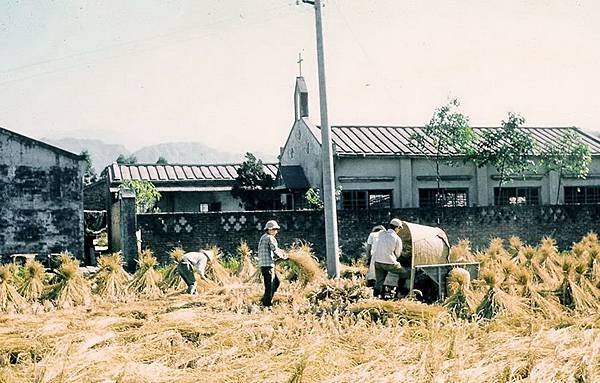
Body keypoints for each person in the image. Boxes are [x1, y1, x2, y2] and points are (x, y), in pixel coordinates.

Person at [373, 218, 409, 299]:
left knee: (379, 280)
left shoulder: (381, 234)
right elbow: (398, 254)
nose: (399, 230)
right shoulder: (397, 239)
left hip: (377, 262)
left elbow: (379, 229)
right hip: (389, 263)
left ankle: (376, 296)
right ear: (396, 228)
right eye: (399, 228)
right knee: (404, 273)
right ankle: (400, 292)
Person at [257, 220, 287, 307]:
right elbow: (275, 249)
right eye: (273, 229)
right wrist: (284, 256)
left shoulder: (263, 237)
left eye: (276, 229)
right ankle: (267, 304)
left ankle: (265, 299)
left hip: (264, 265)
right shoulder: (270, 238)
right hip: (268, 266)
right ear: (269, 230)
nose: (275, 231)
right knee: (269, 286)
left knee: (276, 282)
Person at [365, 225, 385, 292]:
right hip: (386, 256)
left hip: (375, 256)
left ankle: (372, 291)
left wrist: (368, 259)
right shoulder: (386, 235)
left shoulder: (372, 235)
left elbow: (368, 248)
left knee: (372, 276)